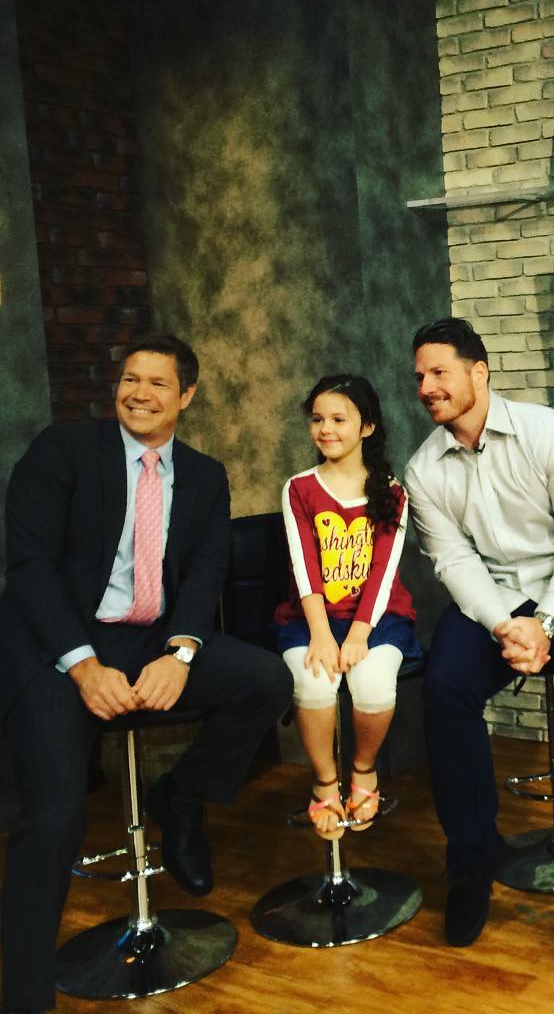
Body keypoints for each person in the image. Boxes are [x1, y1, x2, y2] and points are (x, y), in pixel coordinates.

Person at [0, 334, 292, 1014]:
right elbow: (30, 569)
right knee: (55, 816)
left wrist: (181, 653)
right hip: (56, 645)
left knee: (266, 681)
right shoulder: (63, 451)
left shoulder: (205, 474)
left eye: (158, 383)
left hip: (154, 636)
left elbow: (206, 570)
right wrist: (83, 666)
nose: (139, 393)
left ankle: (181, 796)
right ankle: (22, 996)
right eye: (131, 378)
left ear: (186, 395)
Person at [404, 318, 554, 976]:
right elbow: (453, 562)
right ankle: (471, 863)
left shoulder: (553, 434)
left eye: (439, 372)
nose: (426, 387)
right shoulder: (423, 470)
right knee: (444, 691)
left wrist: (548, 622)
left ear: (479, 372)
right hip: (498, 603)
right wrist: (508, 623)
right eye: (419, 376)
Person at [271, 374, 420, 839]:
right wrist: (320, 634)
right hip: (310, 619)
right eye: (317, 419)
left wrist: (358, 635)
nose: (326, 429)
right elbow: (303, 568)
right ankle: (324, 782)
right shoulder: (299, 488)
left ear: (366, 427)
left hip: (378, 619)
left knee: (373, 686)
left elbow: (383, 573)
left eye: (339, 419)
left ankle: (364, 770)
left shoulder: (392, 492)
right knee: (314, 684)